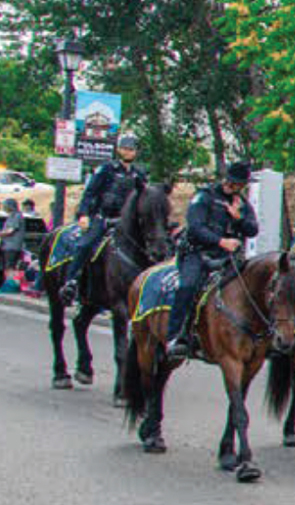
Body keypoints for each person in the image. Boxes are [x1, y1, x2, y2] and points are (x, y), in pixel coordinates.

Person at [165, 162, 258, 360]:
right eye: (237, 184)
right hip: (198, 253)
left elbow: (253, 229)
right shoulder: (205, 197)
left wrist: (239, 217)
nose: (239, 188)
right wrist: (221, 241)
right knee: (188, 286)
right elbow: (196, 227)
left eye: (243, 185)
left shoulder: (241, 203)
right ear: (229, 181)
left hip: (226, 258)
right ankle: (175, 336)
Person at [62, 133, 146, 303]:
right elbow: (90, 193)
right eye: (125, 149)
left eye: (132, 149)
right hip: (104, 217)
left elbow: (143, 197)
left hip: (127, 221)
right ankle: (71, 281)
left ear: (136, 152)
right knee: (85, 244)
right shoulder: (106, 169)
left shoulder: (139, 174)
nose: (128, 152)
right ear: (119, 150)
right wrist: (84, 214)